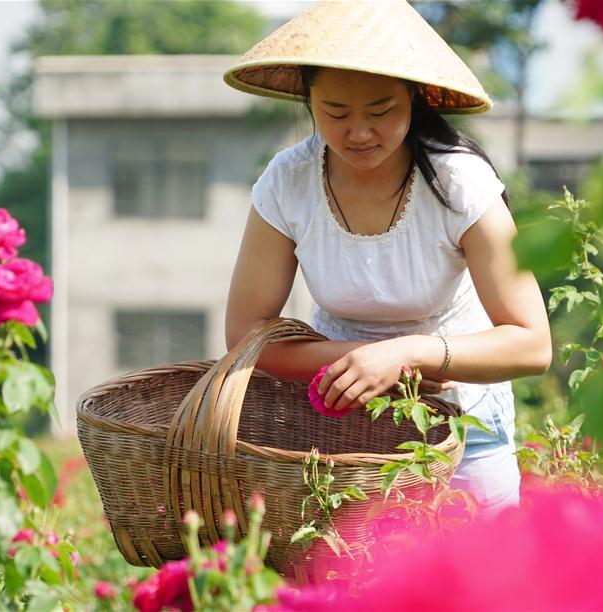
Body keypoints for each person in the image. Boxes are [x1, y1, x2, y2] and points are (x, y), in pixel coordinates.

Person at [222, 0, 551, 512]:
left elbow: (531, 344)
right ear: (309, 100)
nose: (358, 132)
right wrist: (364, 366)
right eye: (335, 112)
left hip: (464, 420)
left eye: (381, 112)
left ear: (415, 101)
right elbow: (246, 334)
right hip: (339, 424)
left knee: (480, 580)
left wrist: (408, 355)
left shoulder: (458, 182)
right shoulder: (288, 182)